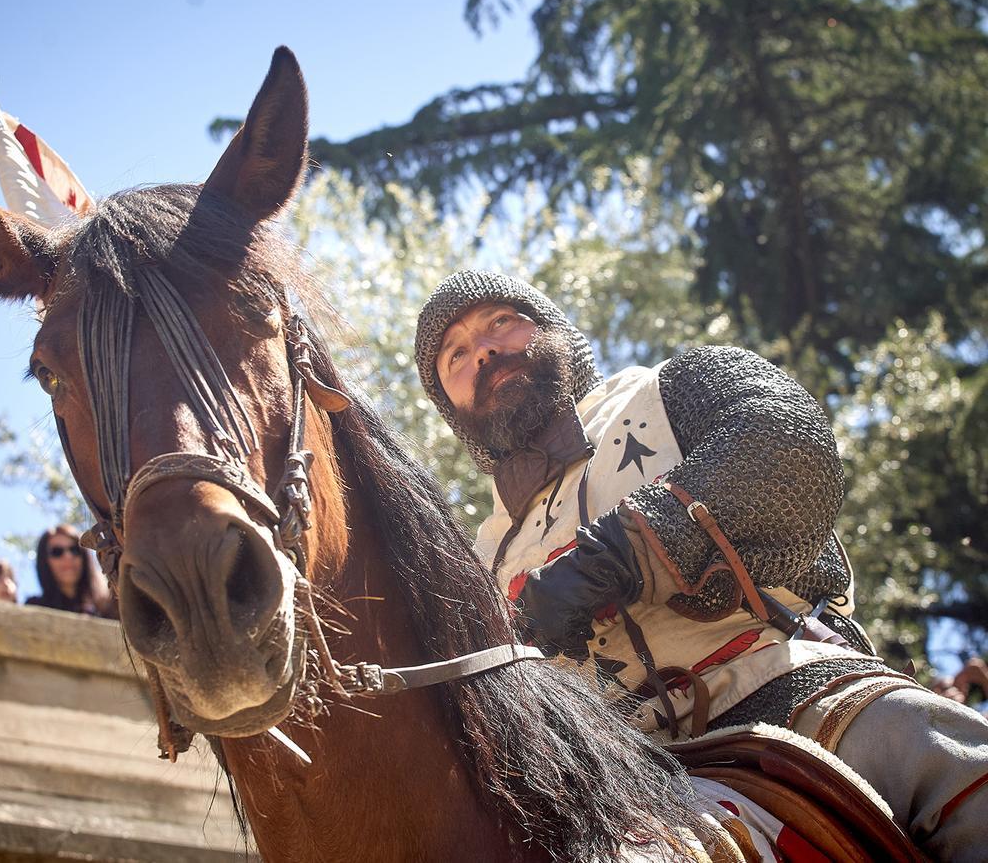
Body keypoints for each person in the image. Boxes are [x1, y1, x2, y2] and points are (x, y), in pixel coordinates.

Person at [413, 271, 988, 859]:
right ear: (448, 405)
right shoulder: (478, 558)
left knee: (947, 762)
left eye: (500, 322)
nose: (483, 349)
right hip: (625, 787)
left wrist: (625, 548)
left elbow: (786, 441)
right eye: (456, 355)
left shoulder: (666, 393)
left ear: (549, 328)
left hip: (788, 685)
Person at [25, 524, 111, 616]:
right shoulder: (35, 608)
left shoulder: (109, 608)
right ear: (44, 561)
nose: (68, 556)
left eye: (74, 550)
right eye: (57, 552)